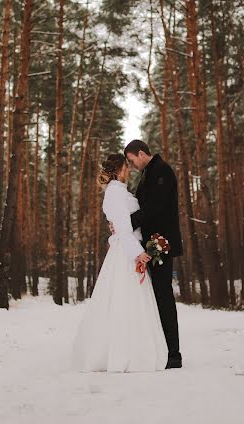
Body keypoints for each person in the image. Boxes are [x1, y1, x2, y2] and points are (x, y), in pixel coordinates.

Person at [70, 153, 168, 373]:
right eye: (127, 166)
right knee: (123, 301)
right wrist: (137, 253)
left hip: (129, 248)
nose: (130, 169)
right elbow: (123, 229)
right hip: (126, 253)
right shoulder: (115, 193)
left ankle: (134, 350)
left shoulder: (119, 192)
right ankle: (120, 354)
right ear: (120, 170)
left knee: (130, 301)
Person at [111, 140, 183, 369]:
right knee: (153, 298)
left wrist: (125, 223)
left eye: (131, 161)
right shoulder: (148, 174)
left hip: (161, 244)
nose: (131, 166)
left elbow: (154, 208)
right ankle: (158, 348)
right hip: (148, 244)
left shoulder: (162, 172)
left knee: (163, 297)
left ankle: (173, 354)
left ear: (141, 153)